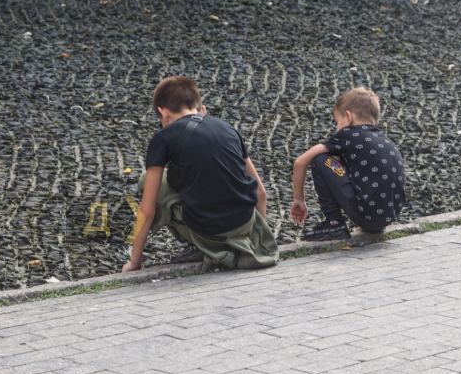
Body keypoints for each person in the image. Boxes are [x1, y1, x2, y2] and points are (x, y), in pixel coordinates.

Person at [122, 76, 278, 273]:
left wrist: (134, 263)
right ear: (201, 108)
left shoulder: (163, 138)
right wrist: (258, 235)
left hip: (209, 232)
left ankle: (200, 245)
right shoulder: (228, 129)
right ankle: (236, 243)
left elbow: (146, 210)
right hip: (245, 227)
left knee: (149, 181)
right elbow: (260, 193)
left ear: (163, 113)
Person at [290, 87, 406, 241]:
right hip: (388, 217)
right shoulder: (385, 140)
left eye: (337, 122)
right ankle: (364, 224)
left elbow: (301, 161)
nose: (336, 128)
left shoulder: (348, 134)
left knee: (319, 159)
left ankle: (334, 223)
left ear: (348, 116)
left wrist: (298, 200)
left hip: (367, 215)